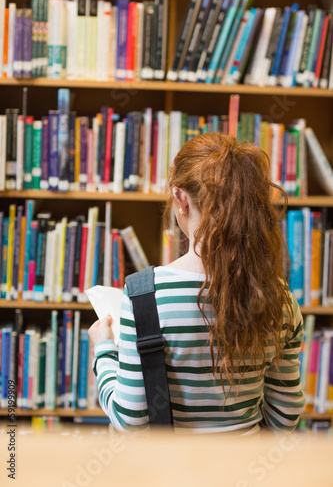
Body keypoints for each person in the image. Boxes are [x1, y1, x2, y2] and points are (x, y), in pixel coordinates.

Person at [88, 132, 305, 434]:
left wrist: (104, 351)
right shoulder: (280, 298)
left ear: (181, 198)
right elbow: (285, 417)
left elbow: (130, 420)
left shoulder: (144, 297)